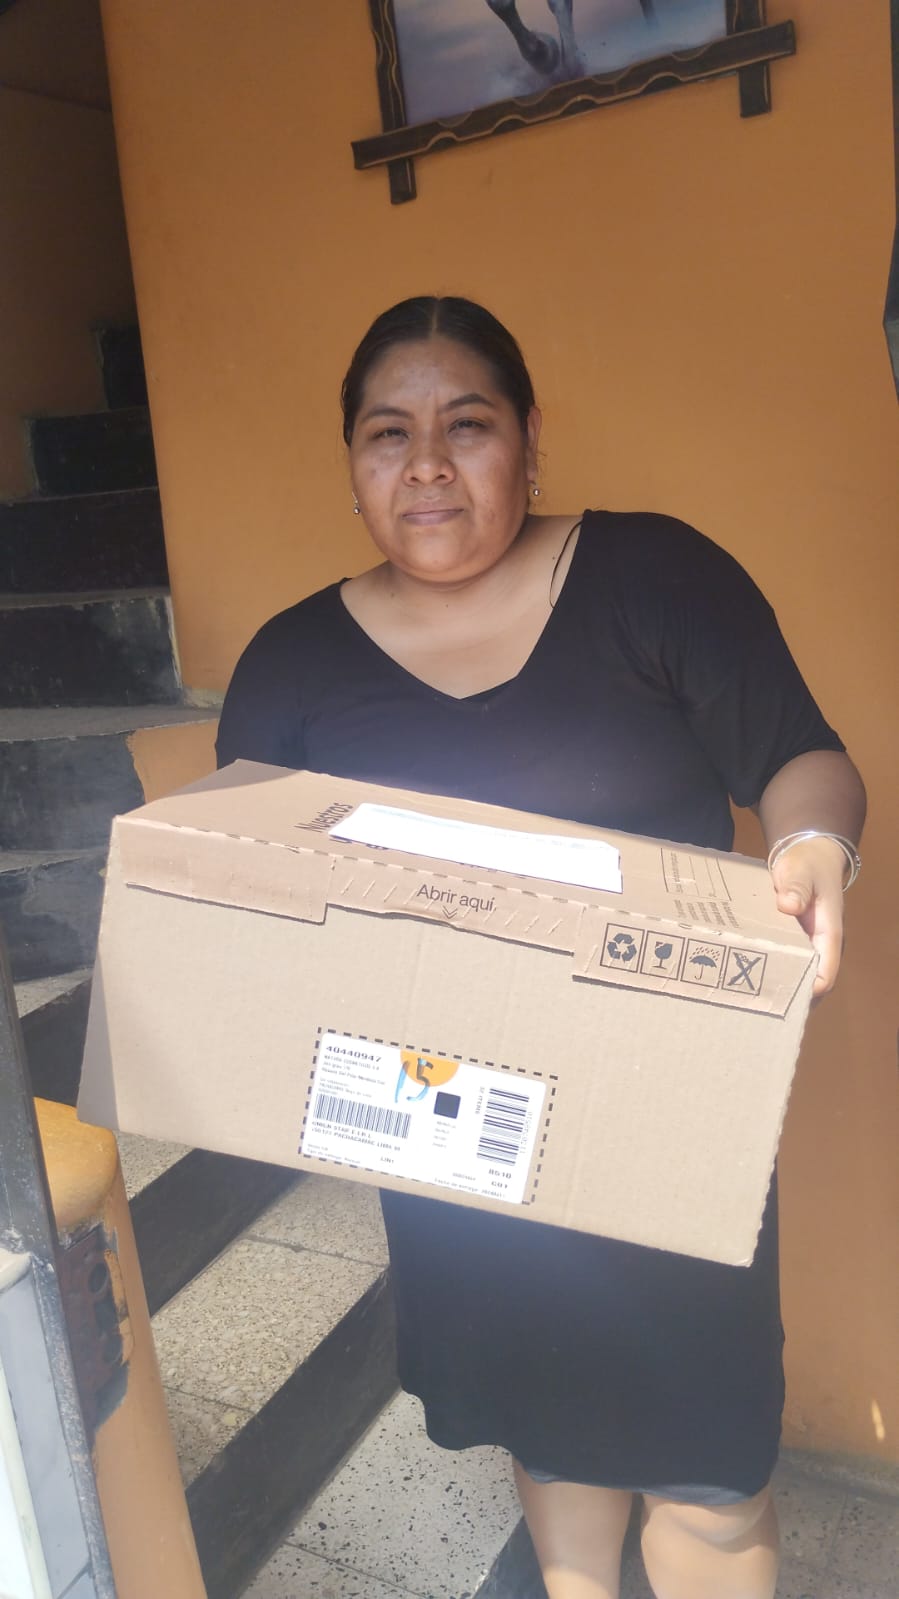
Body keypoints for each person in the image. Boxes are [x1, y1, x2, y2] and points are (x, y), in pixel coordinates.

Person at [216, 296, 866, 1599]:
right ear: (352, 462)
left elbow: (802, 757)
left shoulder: (654, 578)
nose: (428, 465)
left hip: (667, 1111)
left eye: (468, 425)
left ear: (528, 436)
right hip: (456, 1132)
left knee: (708, 1471)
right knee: (551, 1431)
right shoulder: (292, 663)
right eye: (388, 434)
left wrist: (812, 850)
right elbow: (248, 894)